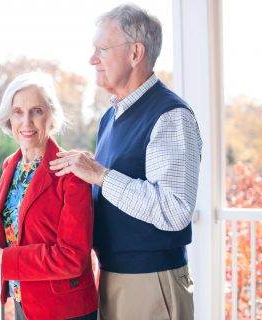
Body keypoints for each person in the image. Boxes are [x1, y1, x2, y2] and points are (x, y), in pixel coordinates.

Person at [49, 4, 202, 320]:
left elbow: (174, 211)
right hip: (113, 276)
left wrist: (102, 175)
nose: (93, 59)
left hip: (150, 283)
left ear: (135, 53)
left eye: (102, 49)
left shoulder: (171, 116)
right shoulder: (111, 116)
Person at [0, 72, 98, 320]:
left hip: (64, 309)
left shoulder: (71, 172)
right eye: (18, 112)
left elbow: (72, 257)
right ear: (8, 118)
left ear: (51, 116)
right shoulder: (10, 166)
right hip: (23, 301)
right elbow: (24, 221)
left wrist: (2, 257)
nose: (26, 122)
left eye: (36, 111)